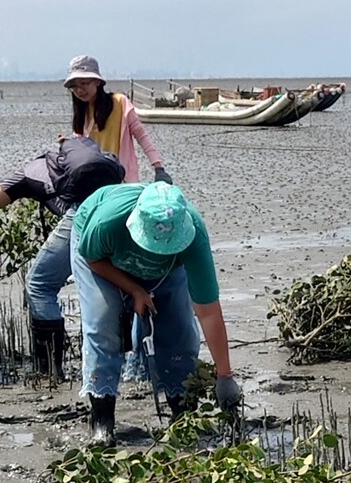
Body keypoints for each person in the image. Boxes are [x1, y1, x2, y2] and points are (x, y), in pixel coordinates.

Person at [70, 181, 242, 443]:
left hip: (167, 272)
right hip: (103, 260)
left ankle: (181, 414)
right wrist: (135, 290)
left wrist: (225, 375)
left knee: (179, 328)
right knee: (104, 323)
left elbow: (208, 312)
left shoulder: (194, 235)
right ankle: (102, 421)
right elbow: (93, 259)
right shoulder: (108, 222)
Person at [0, 136, 126, 379]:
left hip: (83, 214)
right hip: (119, 206)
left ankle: (49, 371)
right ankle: (133, 368)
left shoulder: (26, 173)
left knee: (39, 285)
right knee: (119, 285)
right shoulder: (90, 166)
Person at [64, 55, 169, 185]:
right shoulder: (82, 113)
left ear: (97, 81)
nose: (79, 90)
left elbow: (141, 135)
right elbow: (80, 149)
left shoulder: (120, 103)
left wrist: (158, 168)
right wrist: (67, 145)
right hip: (94, 182)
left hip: (122, 180)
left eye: (84, 83)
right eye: (74, 87)